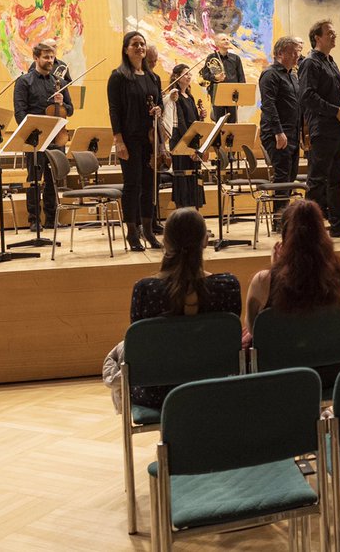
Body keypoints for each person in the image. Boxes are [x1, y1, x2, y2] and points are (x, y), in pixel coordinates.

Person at [103, 208, 241, 411]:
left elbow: (144, 345)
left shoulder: (146, 290)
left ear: (166, 243)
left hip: (158, 395)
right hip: (215, 388)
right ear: (204, 241)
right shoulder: (228, 286)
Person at [243, 201, 340, 387]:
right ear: (323, 233)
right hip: (332, 376)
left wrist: (275, 270)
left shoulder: (263, 281)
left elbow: (255, 329)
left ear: (285, 236)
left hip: (279, 378)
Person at [299, 19, 340, 238]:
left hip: (337, 129)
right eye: (330, 33)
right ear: (317, 37)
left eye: (334, 33)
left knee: (337, 179)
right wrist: (336, 110)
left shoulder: (331, 61)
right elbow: (306, 96)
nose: (334, 36)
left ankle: (339, 225)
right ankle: (309, 231)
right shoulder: (309, 63)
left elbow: (332, 95)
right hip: (322, 129)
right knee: (316, 181)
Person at [107, 31, 165, 251]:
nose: (140, 47)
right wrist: (118, 140)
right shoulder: (119, 76)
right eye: (135, 44)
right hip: (129, 139)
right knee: (133, 186)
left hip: (150, 139)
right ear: (126, 49)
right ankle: (132, 233)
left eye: (142, 44)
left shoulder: (153, 78)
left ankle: (149, 232)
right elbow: (114, 111)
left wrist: (159, 109)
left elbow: (158, 104)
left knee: (150, 186)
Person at [13, 40, 73, 230]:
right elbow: (19, 111)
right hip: (35, 138)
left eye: (52, 56)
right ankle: (34, 220)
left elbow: (70, 110)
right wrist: (30, 133)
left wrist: (62, 102)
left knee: (53, 179)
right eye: (46, 57)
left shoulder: (60, 82)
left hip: (56, 136)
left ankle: (51, 218)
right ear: (36, 57)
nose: (50, 60)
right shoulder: (24, 81)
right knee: (35, 179)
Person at [258, 37, 302, 225]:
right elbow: (268, 105)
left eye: (297, 52)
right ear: (280, 53)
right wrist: (278, 132)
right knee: (283, 175)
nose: (297, 56)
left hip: (292, 132)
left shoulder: (292, 75)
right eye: (293, 52)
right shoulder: (270, 74)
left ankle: (284, 217)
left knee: (290, 177)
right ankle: (279, 220)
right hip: (277, 133)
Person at [165, 64, 206, 210]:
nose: (189, 76)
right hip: (181, 142)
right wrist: (188, 146)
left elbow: (194, 122)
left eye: (190, 74)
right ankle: (182, 214)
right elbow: (181, 123)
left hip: (192, 141)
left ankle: (194, 215)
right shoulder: (174, 96)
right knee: (182, 177)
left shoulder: (190, 97)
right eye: (185, 74)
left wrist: (201, 117)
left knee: (195, 177)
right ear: (176, 77)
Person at [200, 33, 245, 123]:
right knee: (219, 122)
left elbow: (241, 77)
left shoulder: (236, 58)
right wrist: (215, 78)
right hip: (217, 93)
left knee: (232, 121)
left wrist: (241, 95)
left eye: (227, 39)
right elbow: (205, 75)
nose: (227, 41)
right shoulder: (211, 57)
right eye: (223, 39)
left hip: (232, 94)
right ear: (217, 43)